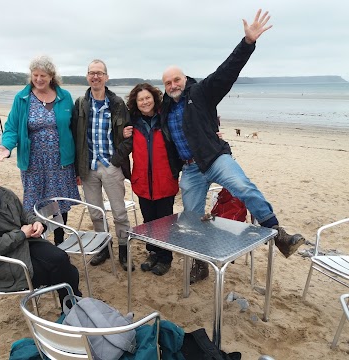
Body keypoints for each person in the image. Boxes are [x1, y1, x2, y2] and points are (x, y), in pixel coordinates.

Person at [160, 9, 305, 283]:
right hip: (190, 170)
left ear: (185, 79)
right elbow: (148, 119)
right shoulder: (165, 108)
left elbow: (228, 71)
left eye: (176, 79)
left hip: (214, 159)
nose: (172, 85)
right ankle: (201, 263)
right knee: (191, 219)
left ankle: (279, 234)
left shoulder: (201, 92)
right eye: (167, 82)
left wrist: (247, 42)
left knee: (244, 188)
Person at [0, 154, 82, 306]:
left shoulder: (3, 193)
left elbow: (24, 214)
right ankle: (74, 310)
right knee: (67, 271)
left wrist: (36, 222)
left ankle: (72, 310)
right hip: (1, 263)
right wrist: (21, 234)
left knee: (61, 258)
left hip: (23, 246)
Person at [0, 55, 80, 246]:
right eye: (35, 75)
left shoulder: (64, 97)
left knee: (59, 203)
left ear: (51, 77)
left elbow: (75, 128)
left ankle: (59, 240)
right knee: (36, 203)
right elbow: (12, 127)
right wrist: (7, 146)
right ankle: (39, 241)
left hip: (61, 162)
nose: (39, 79)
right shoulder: (22, 98)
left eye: (43, 75)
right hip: (33, 163)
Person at [71, 59, 133, 271]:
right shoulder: (80, 103)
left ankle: (124, 250)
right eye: (91, 73)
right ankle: (104, 248)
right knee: (96, 213)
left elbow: (129, 136)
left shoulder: (117, 104)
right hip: (88, 167)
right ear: (87, 77)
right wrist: (76, 168)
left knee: (119, 212)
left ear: (106, 77)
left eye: (99, 73)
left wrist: (116, 160)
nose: (95, 76)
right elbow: (74, 135)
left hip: (111, 166)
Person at [123, 83, 180, 276]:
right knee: (149, 221)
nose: (145, 102)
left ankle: (165, 257)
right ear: (135, 103)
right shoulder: (132, 122)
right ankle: (153, 252)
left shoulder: (165, 119)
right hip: (142, 181)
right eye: (140, 99)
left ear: (154, 99)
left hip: (164, 180)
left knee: (164, 221)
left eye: (148, 98)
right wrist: (123, 134)